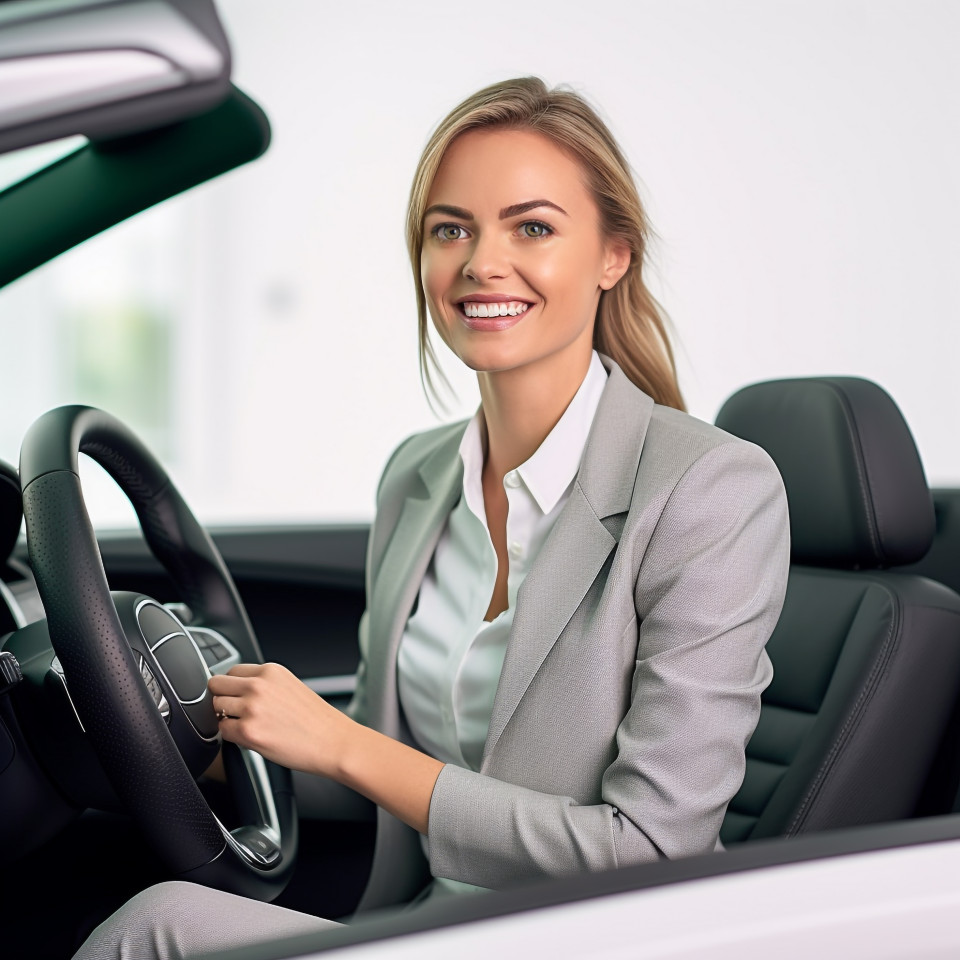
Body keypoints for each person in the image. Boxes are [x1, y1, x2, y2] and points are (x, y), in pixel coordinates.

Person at [74, 76, 790, 959]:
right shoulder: (417, 477)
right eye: (451, 229)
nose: (482, 262)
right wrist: (188, 740)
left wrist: (339, 744)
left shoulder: (710, 490)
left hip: (593, 940)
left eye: (531, 226)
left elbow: (648, 850)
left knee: (158, 926)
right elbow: (387, 778)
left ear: (614, 256)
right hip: (427, 926)